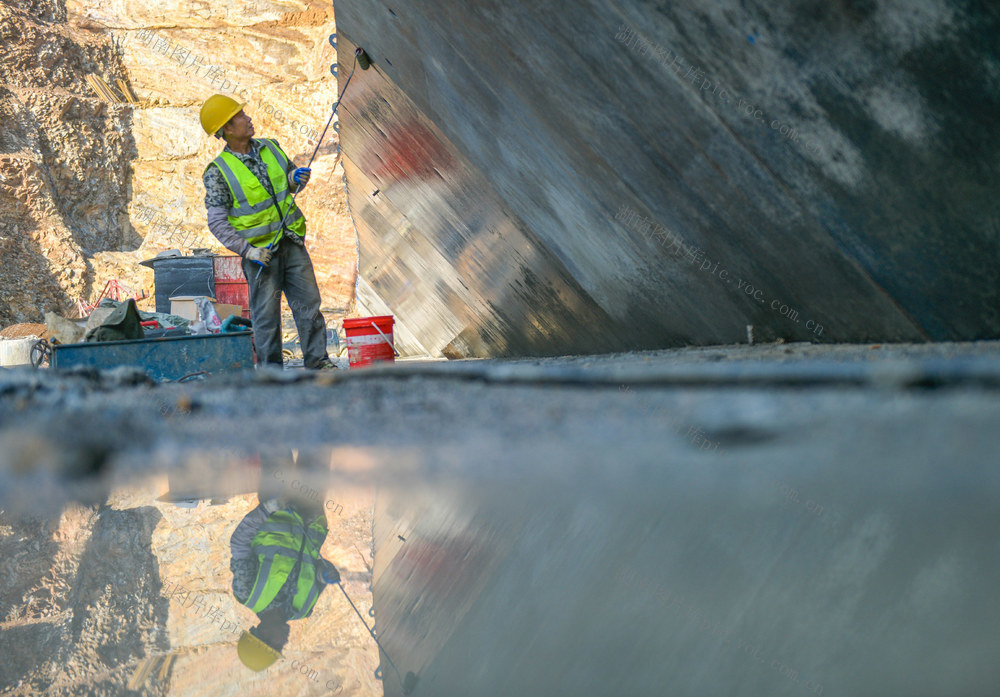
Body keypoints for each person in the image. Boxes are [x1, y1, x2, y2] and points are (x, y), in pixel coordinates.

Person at [199, 93, 335, 369]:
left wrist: (295, 179)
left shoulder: (271, 147)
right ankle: (272, 372)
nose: (248, 118)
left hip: (291, 241)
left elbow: (289, 183)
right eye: (240, 116)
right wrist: (248, 251)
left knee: (309, 306)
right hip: (261, 254)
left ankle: (319, 363)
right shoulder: (218, 172)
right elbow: (217, 222)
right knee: (266, 317)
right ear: (227, 128)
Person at [230, 487, 341, 671]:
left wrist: (266, 510)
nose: (285, 641)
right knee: (318, 470)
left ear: (263, 634)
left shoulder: (247, 593)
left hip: (279, 500)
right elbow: (316, 569)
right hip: (313, 513)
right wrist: (325, 573)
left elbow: (239, 543)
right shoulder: (303, 610)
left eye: (277, 644)